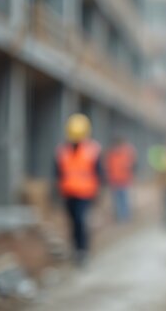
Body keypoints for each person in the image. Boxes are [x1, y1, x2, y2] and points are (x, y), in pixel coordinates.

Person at [55, 113, 102, 267]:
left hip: (85, 193)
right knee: (73, 222)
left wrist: (99, 192)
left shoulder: (92, 150)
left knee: (81, 221)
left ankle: (83, 251)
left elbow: (98, 172)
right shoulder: (63, 150)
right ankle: (76, 249)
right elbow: (58, 172)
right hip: (69, 193)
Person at [105, 136, 137, 222]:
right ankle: (120, 217)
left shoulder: (126, 152)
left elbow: (132, 165)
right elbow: (108, 167)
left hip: (124, 180)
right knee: (118, 200)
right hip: (115, 180)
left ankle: (125, 216)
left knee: (123, 199)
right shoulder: (112, 154)